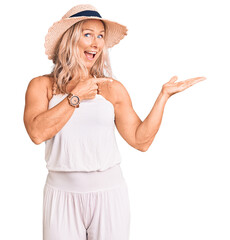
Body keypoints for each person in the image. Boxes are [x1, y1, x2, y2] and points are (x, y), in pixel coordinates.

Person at [23, 4, 206, 240]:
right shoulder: (42, 86)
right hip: (61, 193)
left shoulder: (111, 89)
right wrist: (75, 97)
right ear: (70, 39)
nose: (96, 43)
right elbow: (37, 133)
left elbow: (141, 141)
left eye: (100, 36)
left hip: (109, 193)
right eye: (87, 34)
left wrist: (163, 97)